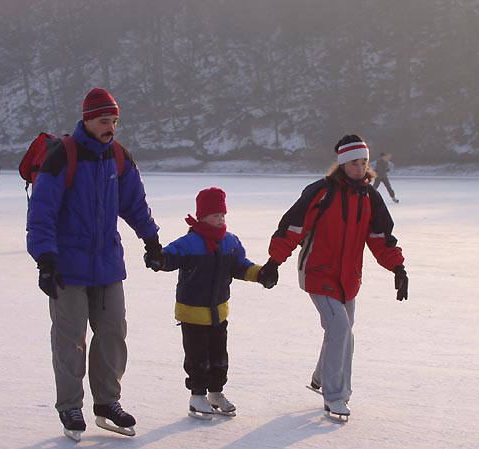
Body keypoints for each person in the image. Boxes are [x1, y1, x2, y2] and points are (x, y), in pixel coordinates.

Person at [26, 87, 165, 440]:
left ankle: (107, 403)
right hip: (66, 267)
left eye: (115, 121)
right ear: (87, 120)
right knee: (70, 339)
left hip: (106, 265)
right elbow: (41, 212)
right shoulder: (63, 156)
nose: (111, 128)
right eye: (105, 121)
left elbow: (135, 203)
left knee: (112, 334)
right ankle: (70, 405)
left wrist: (151, 240)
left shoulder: (119, 157)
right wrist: (45, 260)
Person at [257, 134, 408, 420]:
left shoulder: (370, 197)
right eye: (354, 162)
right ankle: (336, 396)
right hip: (318, 272)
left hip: (349, 278)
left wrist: (398, 268)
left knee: (340, 329)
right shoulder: (321, 192)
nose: (360, 167)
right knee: (341, 330)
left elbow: (381, 238)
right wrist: (274, 261)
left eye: (364, 162)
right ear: (342, 164)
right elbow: (292, 228)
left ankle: (319, 377)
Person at [144, 187, 273, 420]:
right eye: (215, 215)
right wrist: (158, 259)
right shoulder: (190, 243)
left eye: (222, 215)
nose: (220, 219)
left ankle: (215, 393)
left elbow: (241, 267)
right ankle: (197, 396)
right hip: (192, 313)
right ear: (202, 216)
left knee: (219, 357)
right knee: (197, 358)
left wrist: (261, 274)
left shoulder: (230, 242)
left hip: (218, 313)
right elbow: (169, 257)